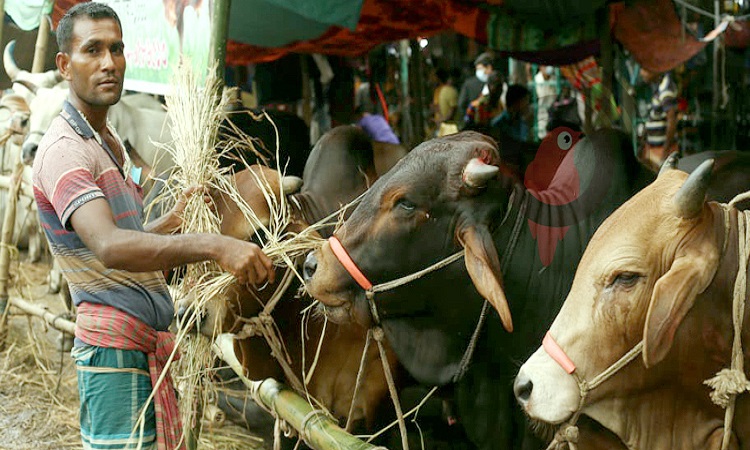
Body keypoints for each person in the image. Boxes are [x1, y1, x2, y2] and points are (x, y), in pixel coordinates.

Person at [32, 4, 275, 449]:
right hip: (114, 353)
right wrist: (214, 245)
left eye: (117, 49)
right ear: (64, 65)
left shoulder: (106, 143)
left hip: (139, 349)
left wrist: (173, 219)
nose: (110, 63)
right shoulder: (65, 151)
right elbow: (108, 246)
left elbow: (127, 237)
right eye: (93, 50)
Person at [640, 67, 679, 169]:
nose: (641, 73)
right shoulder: (658, 87)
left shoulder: (666, 89)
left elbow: (672, 120)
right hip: (655, 150)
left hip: (662, 151)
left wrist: (665, 151)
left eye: (644, 69)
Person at [457, 52, 495, 127]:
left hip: (474, 125)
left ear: (489, 68)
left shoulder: (468, 83)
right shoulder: (495, 84)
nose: (478, 72)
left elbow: (461, 104)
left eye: (480, 69)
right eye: (477, 69)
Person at [431, 67, 459, 135]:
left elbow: (453, 109)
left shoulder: (446, 90)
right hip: (442, 125)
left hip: (447, 126)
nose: (432, 79)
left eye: (433, 76)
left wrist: (442, 119)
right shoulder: (439, 90)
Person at [534, 65, 557, 139]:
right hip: (542, 114)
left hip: (554, 113)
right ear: (540, 67)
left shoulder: (555, 79)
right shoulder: (537, 79)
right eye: (544, 65)